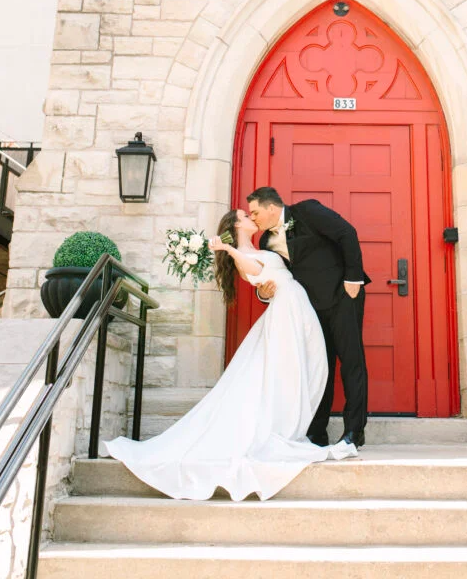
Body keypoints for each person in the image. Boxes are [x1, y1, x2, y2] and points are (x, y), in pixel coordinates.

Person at [104, 208, 353, 502]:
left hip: (294, 309)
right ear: (237, 225)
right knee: (286, 371)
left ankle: (292, 424)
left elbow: (269, 276)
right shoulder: (241, 256)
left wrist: (261, 284)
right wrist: (229, 251)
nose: (252, 216)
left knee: (307, 367)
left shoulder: (261, 247)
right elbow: (255, 272)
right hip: (286, 316)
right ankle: (283, 429)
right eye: (246, 215)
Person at [247, 186, 369, 451]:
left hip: (342, 295)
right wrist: (263, 294)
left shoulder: (308, 211)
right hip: (309, 308)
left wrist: (353, 279)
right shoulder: (264, 243)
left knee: (351, 362)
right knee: (318, 366)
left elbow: (346, 233)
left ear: (271, 208)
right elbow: (276, 277)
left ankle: (353, 432)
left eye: (255, 212)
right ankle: (316, 433)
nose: (253, 218)